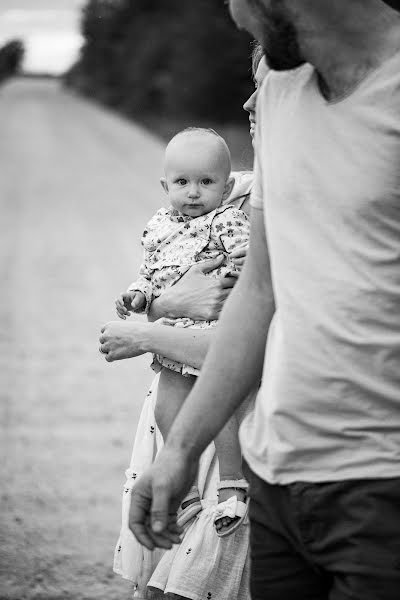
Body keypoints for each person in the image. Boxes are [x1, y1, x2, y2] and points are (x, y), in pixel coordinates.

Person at [125, 2, 400, 600]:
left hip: (381, 487)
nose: (235, 13)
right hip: (276, 479)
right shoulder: (278, 93)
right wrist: (180, 450)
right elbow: (258, 291)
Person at [101, 47, 269, 600]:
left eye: (267, 81)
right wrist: (160, 305)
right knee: (159, 580)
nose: (248, 99)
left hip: (239, 417)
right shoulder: (243, 189)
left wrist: (144, 332)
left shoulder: (262, 212)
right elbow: (165, 283)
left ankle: (230, 487)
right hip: (178, 408)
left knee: (196, 586)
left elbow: (249, 334)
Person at [115, 127, 250, 535]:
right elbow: (149, 274)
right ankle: (186, 489)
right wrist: (137, 297)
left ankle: (232, 485)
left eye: (206, 182)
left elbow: (250, 258)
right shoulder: (158, 225)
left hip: (214, 334)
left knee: (221, 410)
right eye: (182, 183)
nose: (193, 192)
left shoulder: (227, 219)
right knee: (166, 409)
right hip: (173, 336)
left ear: (226, 187)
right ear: (165, 185)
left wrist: (243, 263)